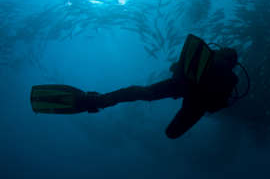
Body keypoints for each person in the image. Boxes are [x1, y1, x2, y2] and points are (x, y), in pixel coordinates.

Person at [31, 34, 240, 139]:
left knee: (139, 92)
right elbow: (216, 106)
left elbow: (177, 67)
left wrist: (182, 74)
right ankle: (96, 101)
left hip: (180, 86)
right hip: (196, 103)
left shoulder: (209, 59)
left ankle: (97, 101)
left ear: (222, 54)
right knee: (172, 133)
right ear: (233, 63)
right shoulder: (232, 80)